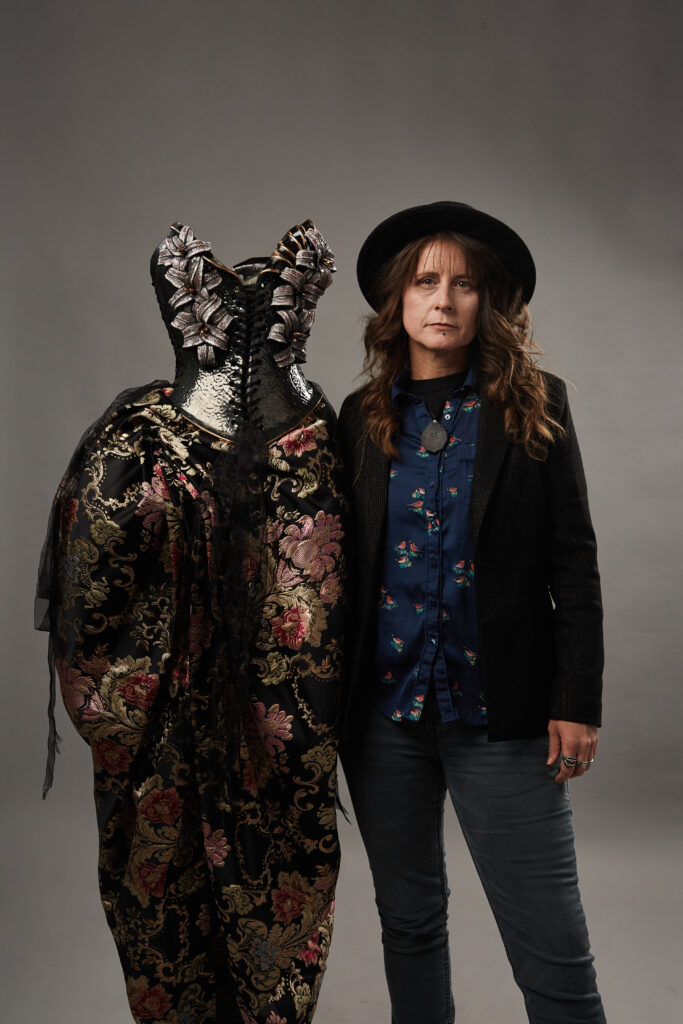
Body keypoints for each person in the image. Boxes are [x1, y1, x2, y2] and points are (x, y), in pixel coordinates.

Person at [35, 221, 348, 1024]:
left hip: (272, 739)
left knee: (271, 906)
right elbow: (86, 604)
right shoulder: (140, 442)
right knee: (167, 916)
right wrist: (134, 713)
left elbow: (356, 589)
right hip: (172, 742)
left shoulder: (319, 444)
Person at [337, 201, 606, 1023]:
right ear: (397, 302)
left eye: (465, 284)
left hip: (503, 717)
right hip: (381, 718)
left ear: (491, 304)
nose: (443, 299)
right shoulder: (358, 418)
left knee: (551, 948)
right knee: (409, 924)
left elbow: (575, 564)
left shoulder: (534, 407)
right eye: (425, 281)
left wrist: (575, 703)